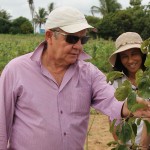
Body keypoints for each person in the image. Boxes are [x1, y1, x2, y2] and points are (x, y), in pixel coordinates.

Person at [0, 7, 150, 150]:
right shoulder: (17, 70)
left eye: (82, 40)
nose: (78, 46)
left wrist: (129, 106)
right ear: (49, 36)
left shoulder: (89, 74)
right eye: (72, 39)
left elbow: (110, 99)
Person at [108, 32, 150, 149]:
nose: (130, 60)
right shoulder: (117, 82)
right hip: (127, 144)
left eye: (134, 54)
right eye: (124, 56)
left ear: (142, 54)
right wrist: (121, 145)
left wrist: (144, 146)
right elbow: (113, 117)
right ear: (119, 60)